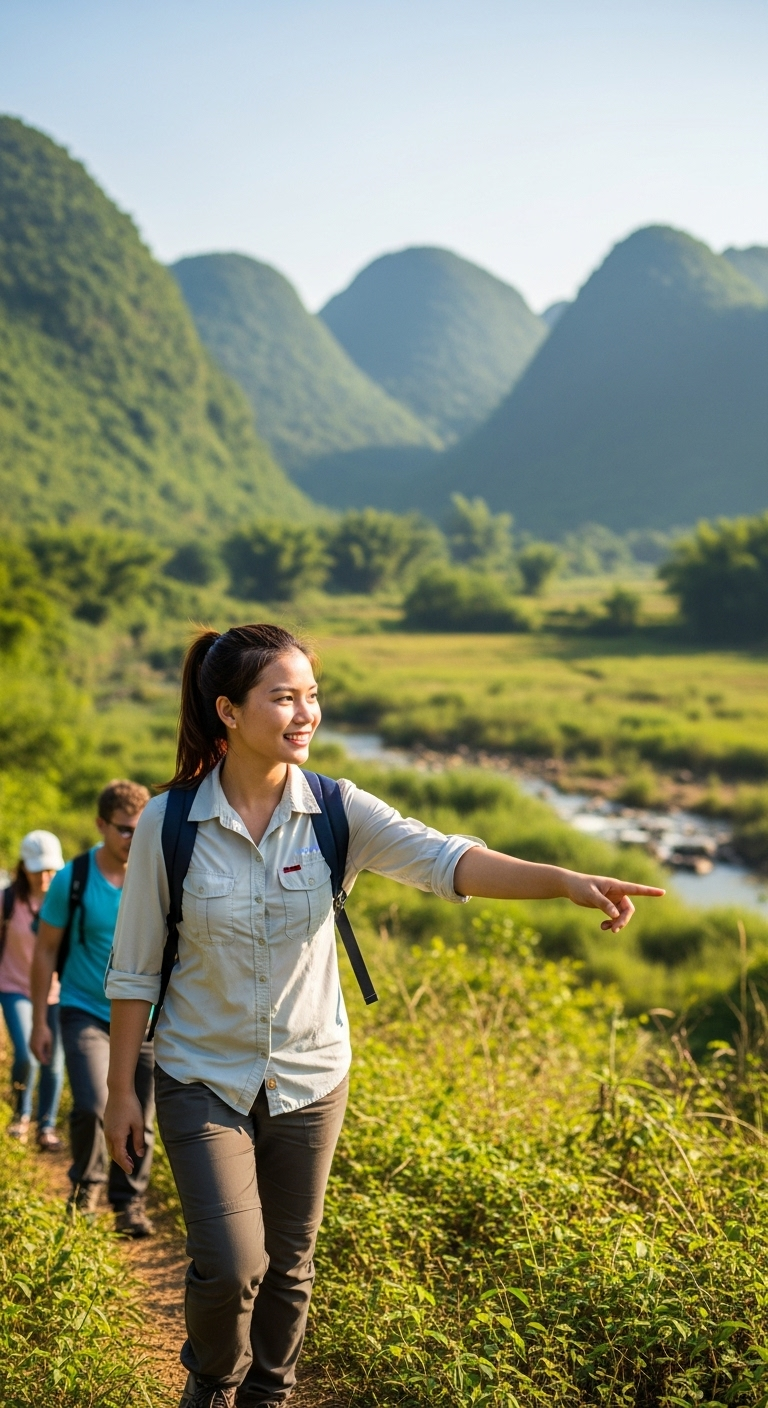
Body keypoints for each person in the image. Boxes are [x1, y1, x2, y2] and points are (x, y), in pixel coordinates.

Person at [103, 624, 665, 1408]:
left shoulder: (335, 809)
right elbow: (132, 970)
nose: (306, 713)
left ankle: (269, 1394)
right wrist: (120, 1091)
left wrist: (562, 879)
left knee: (290, 1265)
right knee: (233, 1262)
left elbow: (446, 859)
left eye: (313, 696)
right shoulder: (170, 824)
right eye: (284, 698)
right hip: (201, 1075)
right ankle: (211, 1383)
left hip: (309, 1075)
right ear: (229, 711)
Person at [31, 779, 156, 1238]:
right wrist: (39, 1021)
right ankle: (86, 1187)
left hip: (144, 1016)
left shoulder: (156, 873)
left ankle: (130, 1204)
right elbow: (46, 950)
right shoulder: (73, 877)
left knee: (141, 1111)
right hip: (84, 1007)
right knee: (91, 1103)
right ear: (101, 825)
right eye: (124, 830)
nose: (132, 840)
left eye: (140, 831)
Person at [0, 830, 66, 1150]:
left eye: (51, 869)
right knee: (27, 1054)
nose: (45, 876)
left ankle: (47, 1126)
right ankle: (20, 1116)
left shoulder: (66, 900)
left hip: (55, 991)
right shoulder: (7, 900)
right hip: (14, 986)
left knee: (53, 1060)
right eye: (39, 868)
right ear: (24, 866)